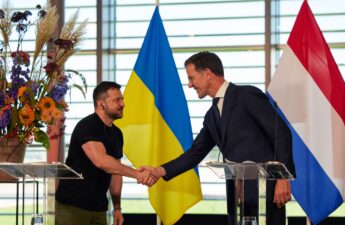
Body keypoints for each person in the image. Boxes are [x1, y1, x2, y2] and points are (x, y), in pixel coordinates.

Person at [146, 52, 295, 225]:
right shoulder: (211, 116)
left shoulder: (246, 95)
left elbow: (281, 132)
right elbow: (195, 153)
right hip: (237, 197)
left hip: (266, 194)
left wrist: (283, 178)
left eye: (191, 78)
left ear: (207, 73)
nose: (189, 85)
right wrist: (160, 171)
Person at [55, 81, 155, 225]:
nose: (122, 104)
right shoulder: (87, 126)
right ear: (101, 104)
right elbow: (101, 161)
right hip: (72, 206)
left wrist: (117, 208)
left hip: (99, 208)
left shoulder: (117, 133)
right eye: (117, 100)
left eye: (122, 99)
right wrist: (138, 174)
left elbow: (115, 173)